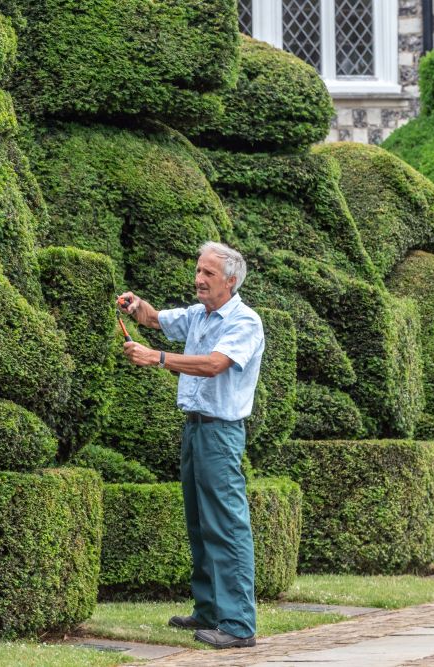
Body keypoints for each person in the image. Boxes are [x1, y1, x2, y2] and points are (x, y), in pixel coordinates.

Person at [118, 241, 264, 650]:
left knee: (227, 526)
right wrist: (135, 306)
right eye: (198, 271)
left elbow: (214, 365)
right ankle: (208, 611)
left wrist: (157, 358)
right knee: (200, 522)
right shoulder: (199, 315)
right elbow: (155, 319)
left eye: (208, 274)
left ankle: (237, 626)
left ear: (230, 281)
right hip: (195, 429)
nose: (198, 279)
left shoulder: (245, 322)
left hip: (221, 433)